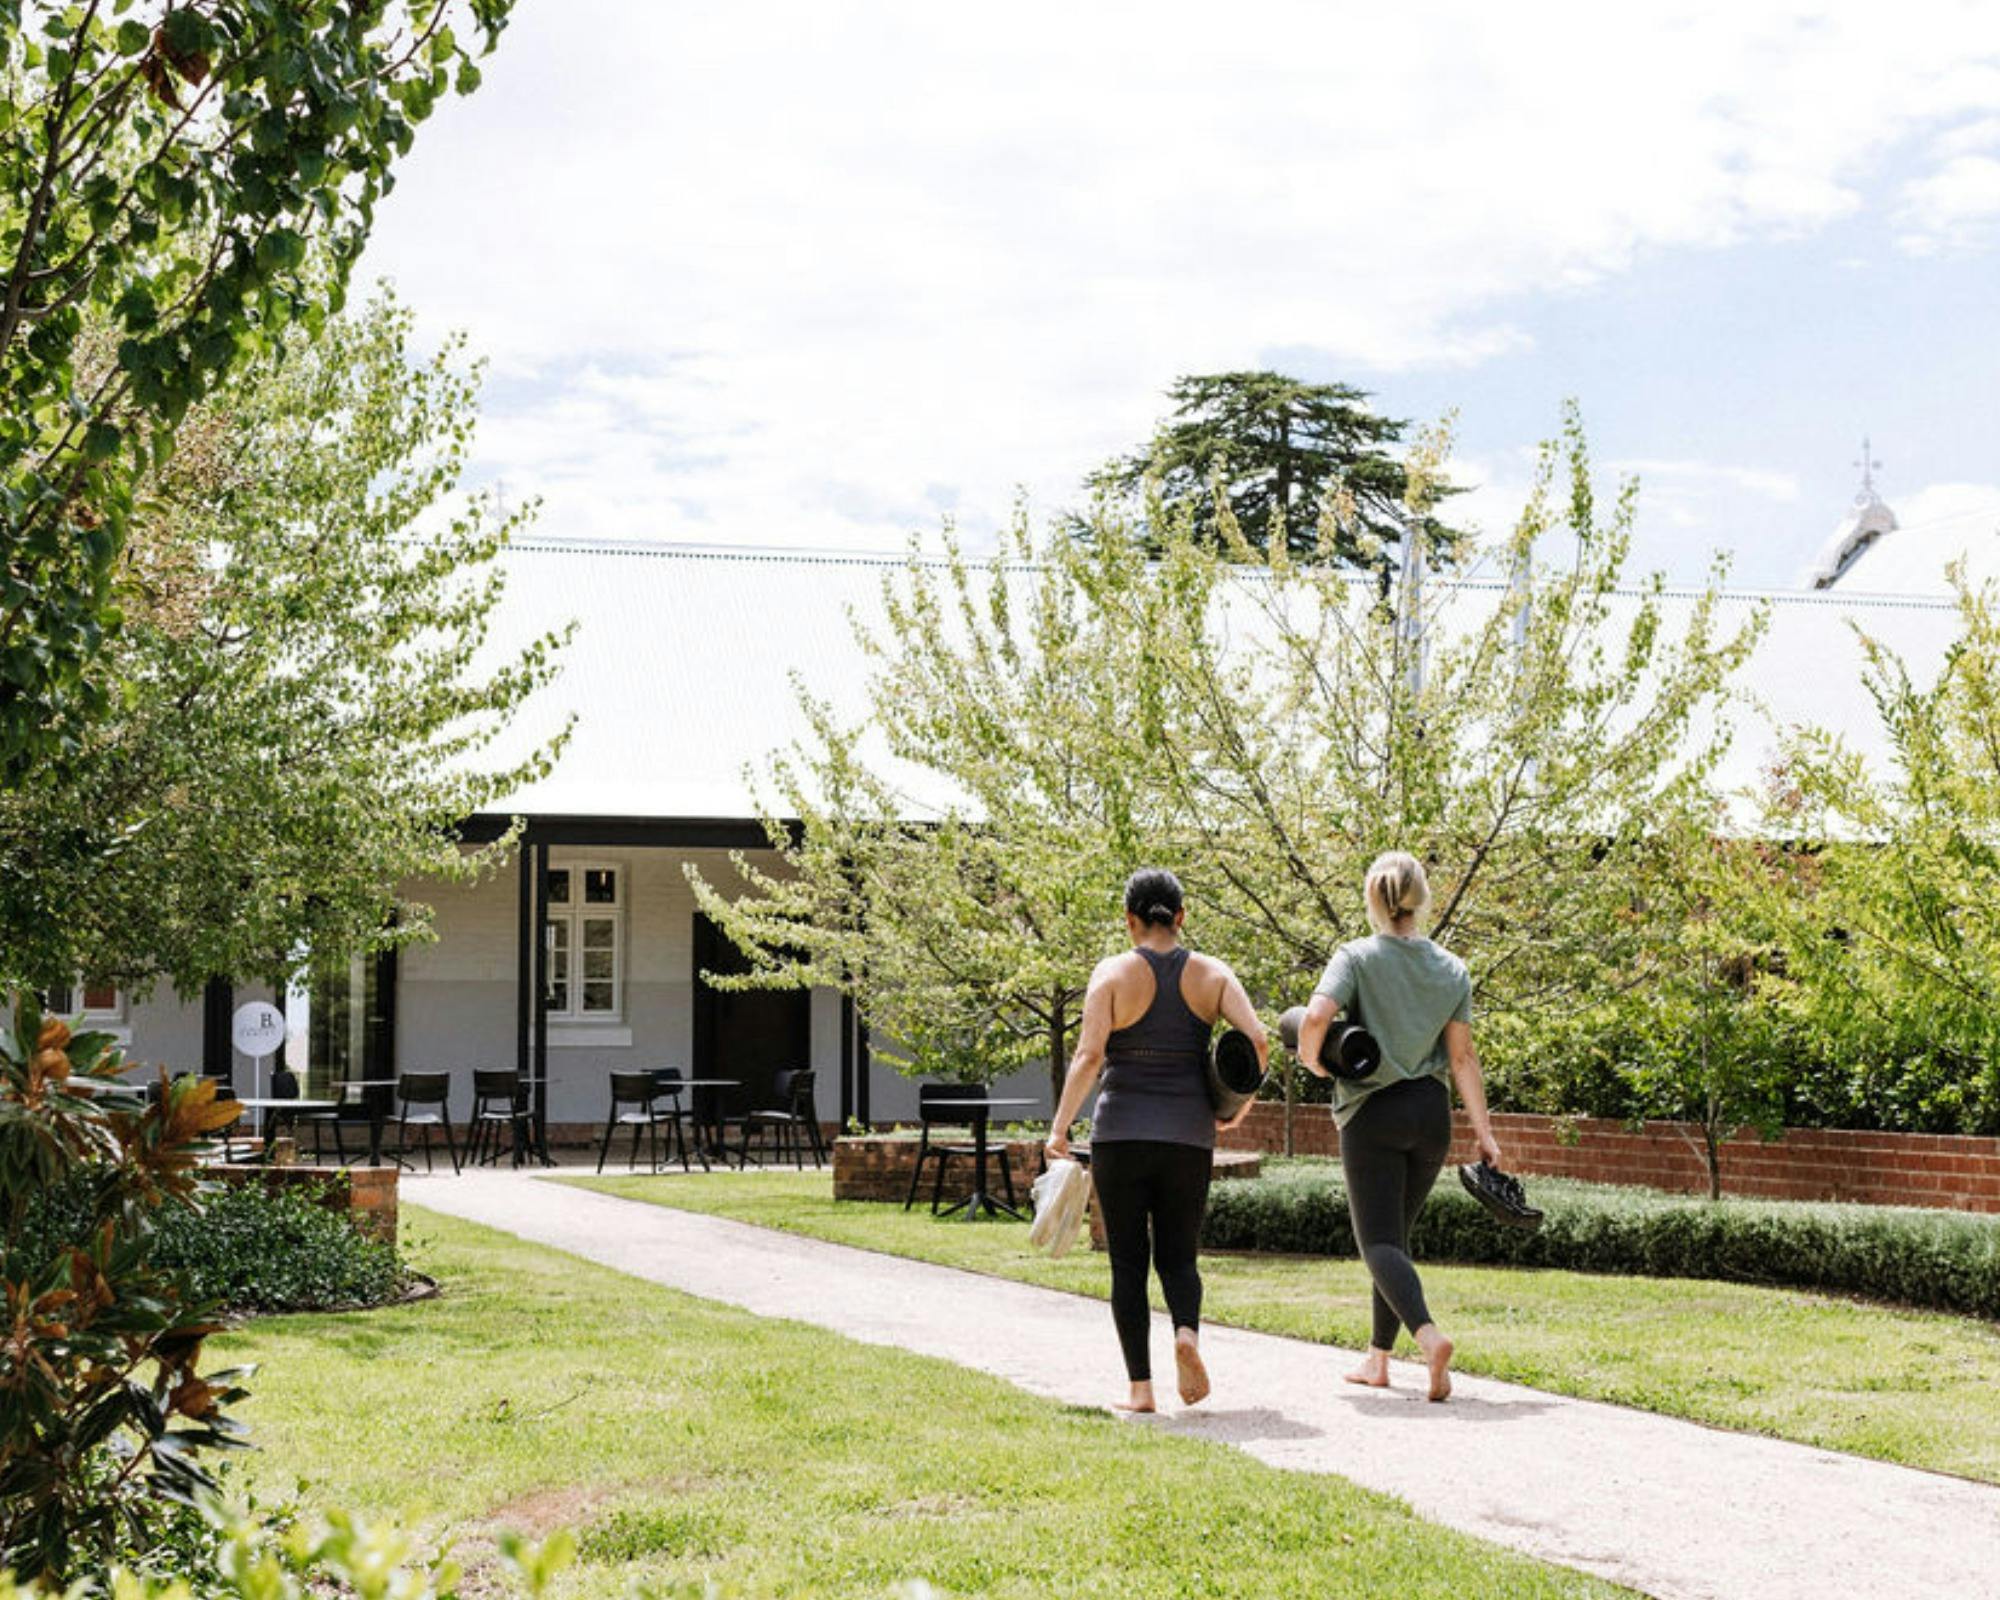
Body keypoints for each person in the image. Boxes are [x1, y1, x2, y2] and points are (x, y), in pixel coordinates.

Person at [1047, 867, 1267, 1413]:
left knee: (1128, 1262)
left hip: (1121, 1134)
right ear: (1181, 916)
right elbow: (1258, 1041)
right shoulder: (1213, 975)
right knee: (1179, 1256)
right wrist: (1235, 1108)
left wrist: (1059, 1128)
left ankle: (1140, 1390)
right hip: (1188, 1136)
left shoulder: (1112, 974)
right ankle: (1187, 1333)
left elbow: (1090, 1057)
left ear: (1130, 921)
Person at [1295, 850, 1502, 1403]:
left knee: (1378, 1241)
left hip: (1373, 1112)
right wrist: (1484, 1132)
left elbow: (1316, 1017)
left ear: (1373, 899)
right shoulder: (1451, 968)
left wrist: (1312, 1060)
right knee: (1395, 1241)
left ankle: (1429, 1338)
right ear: (1422, 899)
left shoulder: (1357, 956)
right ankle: (1377, 1360)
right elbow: (1462, 1059)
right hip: (1431, 1116)